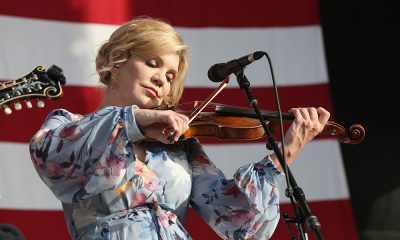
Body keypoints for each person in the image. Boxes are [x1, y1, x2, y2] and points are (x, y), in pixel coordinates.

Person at [28, 16, 330, 240]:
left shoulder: (178, 145)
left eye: (171, 75)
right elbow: (53, 158)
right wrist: (133, 120)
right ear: (117, 61)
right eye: (152, 63)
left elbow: (236, 218)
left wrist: (287, 150)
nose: (162, 79)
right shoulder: (70, 126)